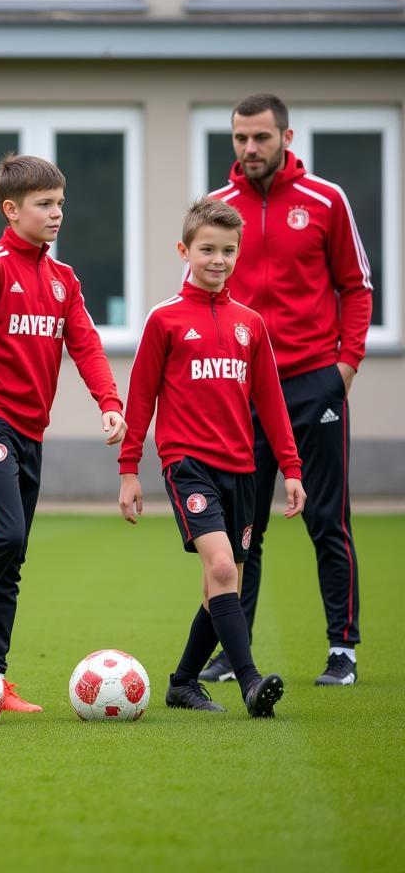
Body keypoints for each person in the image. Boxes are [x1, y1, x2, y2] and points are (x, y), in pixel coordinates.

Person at [0, 153, 126, 712]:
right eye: (45, 204)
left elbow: (84, 343)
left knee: (13, 560)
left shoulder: (63, 279)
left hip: (31, 430)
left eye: (60, 202)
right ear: (12, 211)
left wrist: (109, 401)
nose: (57, 213)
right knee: (4, 536)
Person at [200, 93, 372, 687]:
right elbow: (199, 296)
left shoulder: (327, 200)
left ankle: (341, 649)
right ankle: (231, 649)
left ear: (286, 138)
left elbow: (356, 286)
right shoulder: (217, 209)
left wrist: (344, 367)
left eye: (261, 138)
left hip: (313, 386)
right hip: (243, 395)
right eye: (240, 138)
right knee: (245, 528)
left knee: (327, 518)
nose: (249, 149)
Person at [119, 197, 306, 717]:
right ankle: (249, 682)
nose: (218, 259)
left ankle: (182, 684)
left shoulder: (251, 324)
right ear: (185, 250)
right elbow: (140, 400)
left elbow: (270, 401)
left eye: (228, 251)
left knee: (221, 585)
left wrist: (290, 468)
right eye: (207, 249)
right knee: (222, 567)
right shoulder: (165, 320)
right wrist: (129, 471)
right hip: (188, 464)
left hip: (242, 470)